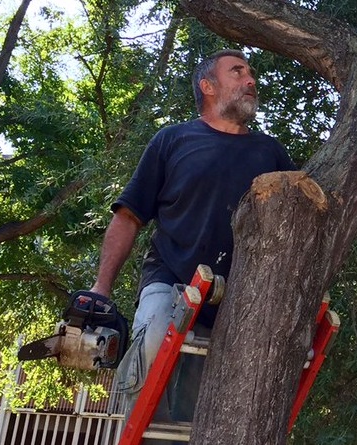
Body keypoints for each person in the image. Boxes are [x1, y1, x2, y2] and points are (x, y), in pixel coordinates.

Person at [91, 49, 297, 441]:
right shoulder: (173, 139)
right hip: (170, 278)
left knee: (203, 407)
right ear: (208, 86)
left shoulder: (270, 152)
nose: (250, 79)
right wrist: (101, 289)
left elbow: (307, 209)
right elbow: (128, 216)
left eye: (251, 72)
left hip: (239, 298)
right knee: (153, 346)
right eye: (237, 72)